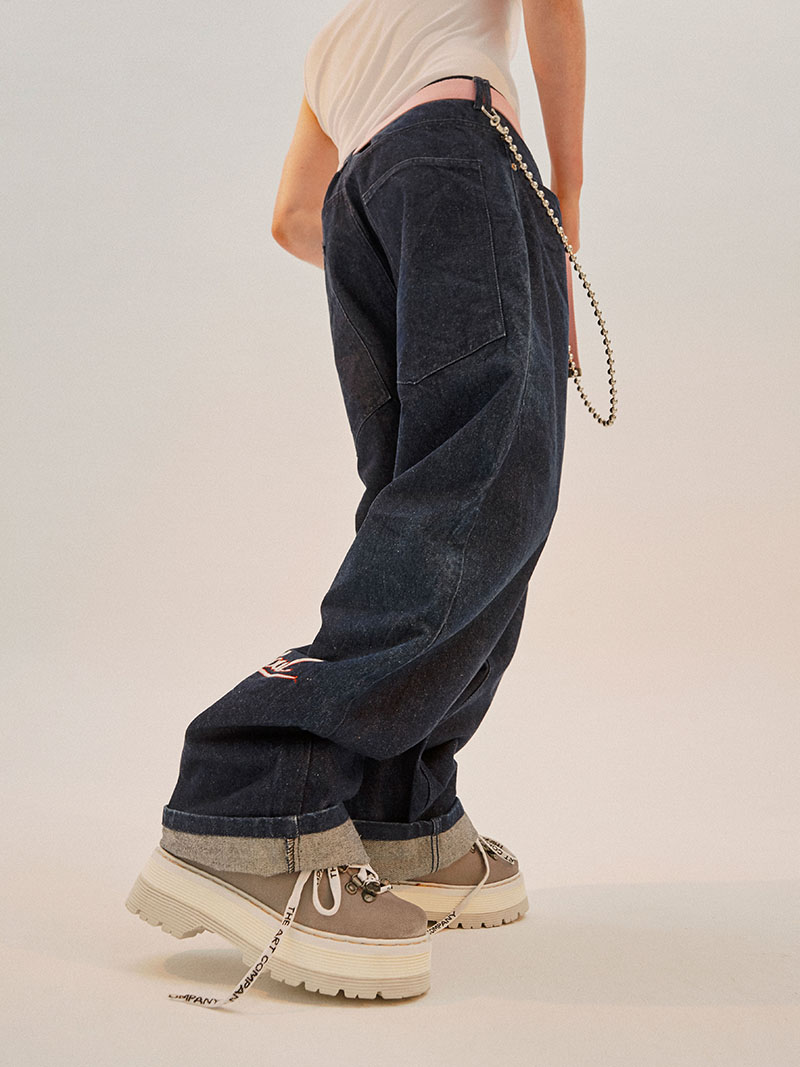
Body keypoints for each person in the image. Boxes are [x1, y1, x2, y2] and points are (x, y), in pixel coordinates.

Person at [126, 0, 585, 1006]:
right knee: (484, 489)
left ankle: (394, 810)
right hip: (463, 159)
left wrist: (414, 260)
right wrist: (561, 207)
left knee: (425, 502)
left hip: (363, 204)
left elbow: (295, 217)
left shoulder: (334, 47)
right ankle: (256, 794)